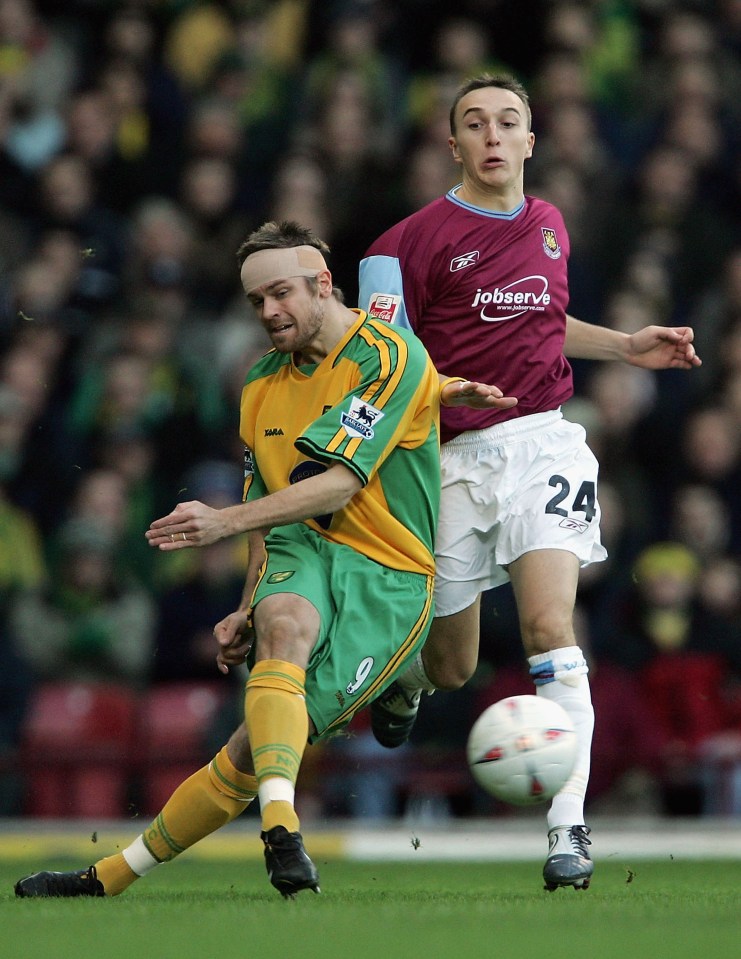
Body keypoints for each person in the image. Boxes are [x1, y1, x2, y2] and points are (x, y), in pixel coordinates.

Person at [14, 219, 503, 901]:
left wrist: (219, 521)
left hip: (385, 569)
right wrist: (244, 603)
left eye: (280, 294)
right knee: (280, 629)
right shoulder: (260, 386)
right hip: (302, 542)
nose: (268, 312)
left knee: (253, 746)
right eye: (255, 301)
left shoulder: (388, 357)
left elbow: (339, 482)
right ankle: (277, 827)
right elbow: (271, 507)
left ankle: (121, 868)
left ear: (323, 284)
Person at [357, 73, 701, 892]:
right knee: (451, 665)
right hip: (447, 462)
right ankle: (404, 683)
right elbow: (378, 368)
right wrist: (438, 390)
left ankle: (568, 831)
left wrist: (625, 346)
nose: (491, 135)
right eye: (473, 123)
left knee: (552, 627)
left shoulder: (549, 224)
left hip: (543, 443)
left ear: (529, 141)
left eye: (507, 121)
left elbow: (543, 325)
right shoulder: (396, 249)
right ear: (453, 145)